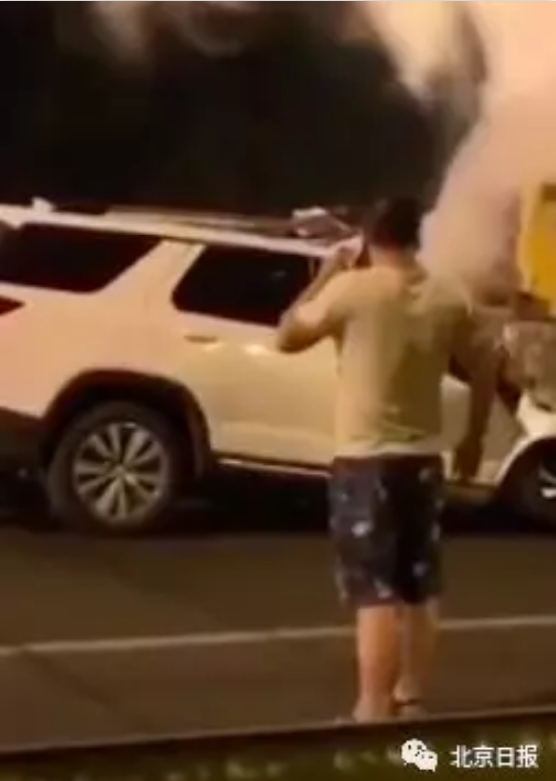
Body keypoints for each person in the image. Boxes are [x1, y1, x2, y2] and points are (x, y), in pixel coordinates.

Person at [276, 198, 497, 723]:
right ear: (417, 237)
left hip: (365, 461)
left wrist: (327, 274)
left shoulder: (352, 290)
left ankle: (372, 710)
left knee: (374, 591)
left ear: (369, 238)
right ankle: (411, 698)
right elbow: (486, 364)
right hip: (423, 460)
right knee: (418, 585)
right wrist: (473, 438)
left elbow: (286, 336)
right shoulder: (448, 295)